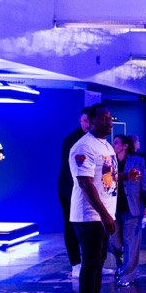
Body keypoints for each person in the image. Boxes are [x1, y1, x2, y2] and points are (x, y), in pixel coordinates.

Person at [69, 105, 118, 293]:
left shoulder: (106, 145)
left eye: (110, 118)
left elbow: (105, 176)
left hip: (103, 214)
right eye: (104, 118)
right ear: (91, 121)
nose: (109, 122)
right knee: (90, 263)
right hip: (89, 215)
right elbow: (86, 183)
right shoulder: (83, 146)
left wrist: (126, 175)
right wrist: (105, 215)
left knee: (98, 262)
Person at [110, 133, 146, 287]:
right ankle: (121, 267)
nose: (113, 145)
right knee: (114, 242)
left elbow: (145, 185)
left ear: (125, 146)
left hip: (132, 208)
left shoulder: (138, 161)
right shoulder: (109, 161)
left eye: (116, 142)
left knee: (130, 243)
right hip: (112, 209)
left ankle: (128, 276)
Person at [58, 107, 92, 277]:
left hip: (87, 192)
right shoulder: (71, 140)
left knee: (91, 228)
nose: (87, 124)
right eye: (85, 120)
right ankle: (76, 264)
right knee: (71, 227)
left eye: (89, 121)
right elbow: (68, 170)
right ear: (81, 120)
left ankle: (92, 263)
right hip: (69, 192)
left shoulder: (95, 140)